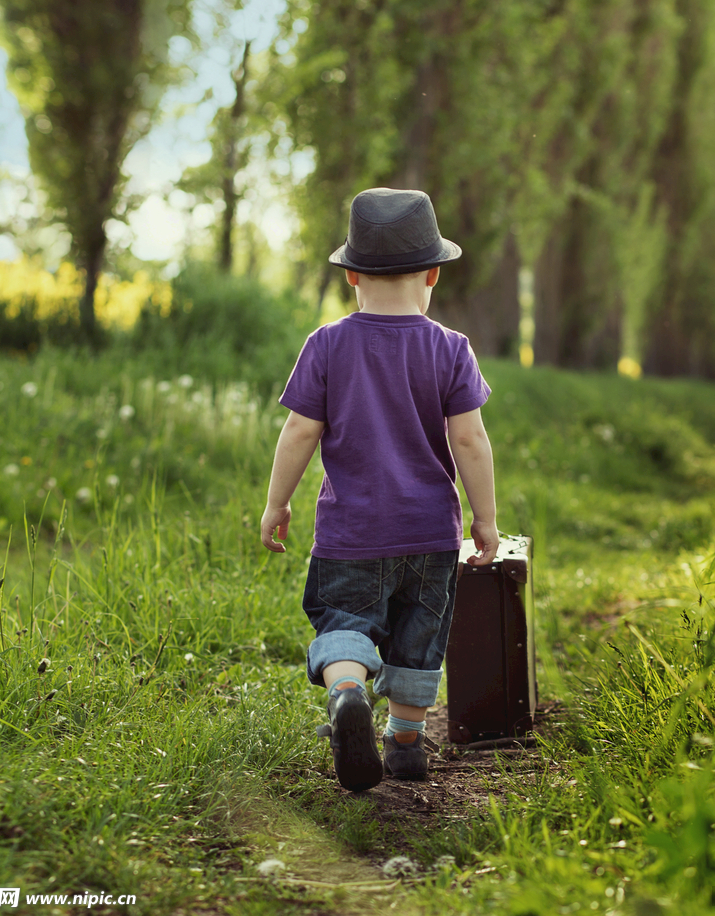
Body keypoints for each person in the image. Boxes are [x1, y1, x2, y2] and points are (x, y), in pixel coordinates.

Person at [260, 188, 499, 792]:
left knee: (344, 619)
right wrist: (484, 520)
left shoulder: (326, 344)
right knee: (420, 635)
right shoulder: (451, 348)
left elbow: (299, 431)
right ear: (433, 275)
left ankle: (346, 692)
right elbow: (470, 441)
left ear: (352, 278)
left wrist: (277, 503)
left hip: (351, 534)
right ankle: (406, 742)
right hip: (430, 535)